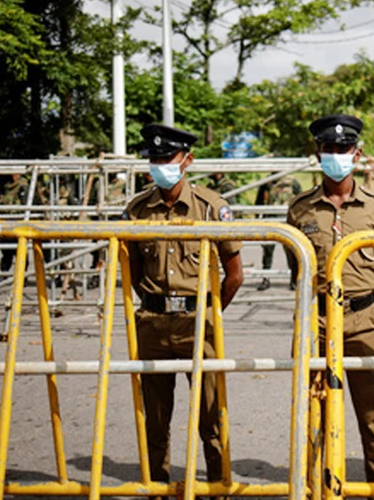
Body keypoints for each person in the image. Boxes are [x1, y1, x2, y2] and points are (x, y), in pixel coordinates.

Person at [123, 123, 244, 498]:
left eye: (167, 158)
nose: (160, 165)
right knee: (155, 418)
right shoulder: (137, 210)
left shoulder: (212, 208)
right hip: (152, 322)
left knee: (211, 415)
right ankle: (158, 488)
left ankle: (217, 487)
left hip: (199, 321)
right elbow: (133, 272)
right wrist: (154, 304)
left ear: (187, 160)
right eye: (154, 159)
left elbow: (235, 274)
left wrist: (210, 313)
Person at [286, 114, 374, 484]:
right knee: (312, 410)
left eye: (344, 149)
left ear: (357, 153)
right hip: (315, 323)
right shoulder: (299, 209)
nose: (337, 155)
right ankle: (316, 486)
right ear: (317, 154)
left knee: (372, 416)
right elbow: (297, 270)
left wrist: (363, 303)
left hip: (363, 320)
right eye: (329, 149)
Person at [255, 174, 302, 291]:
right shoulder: (267, 183)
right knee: (267, 251)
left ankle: (293, 280)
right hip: (270, 220)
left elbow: (300, 201)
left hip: (286, 220)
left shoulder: (292, 182)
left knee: (290, 251)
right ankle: (266, 278)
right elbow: (259, 202)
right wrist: (258, 219)